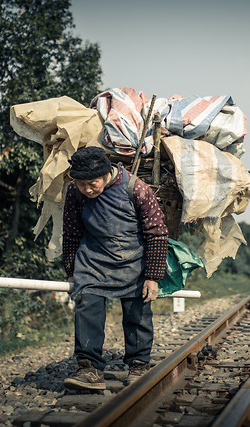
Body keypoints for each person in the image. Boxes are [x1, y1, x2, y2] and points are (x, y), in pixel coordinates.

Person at [62, 146, 169, 390]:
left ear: (106, 174)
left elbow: (157, 233)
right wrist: (71, 271)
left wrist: (152, 276)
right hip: (93, 262)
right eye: (81, 184)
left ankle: (139, 365)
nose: (87, 189)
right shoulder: (74, 193)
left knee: (137, 315)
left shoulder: (136, 188)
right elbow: (71, 233)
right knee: (87, 307)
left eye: (92, 183)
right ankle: (89, 368)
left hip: (134, 261)